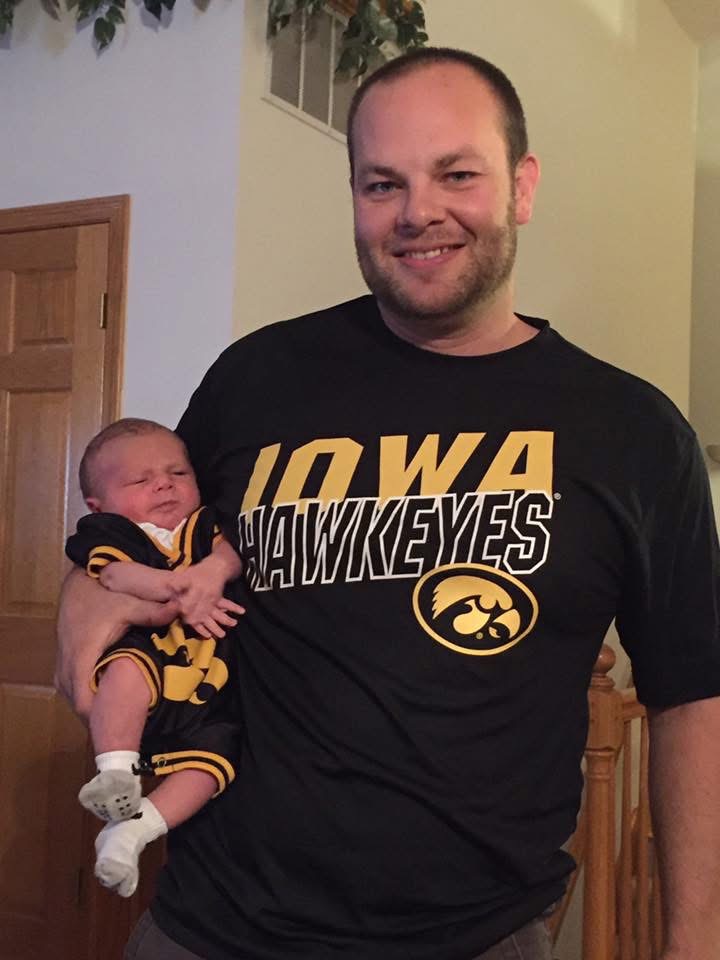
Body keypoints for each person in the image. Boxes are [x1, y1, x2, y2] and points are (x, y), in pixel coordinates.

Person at [56, 47, 720, 960]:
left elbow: (691, 694)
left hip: (475, 939)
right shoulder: (257, 378)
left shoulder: (632, 430)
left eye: (458, 174)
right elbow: (143, 534)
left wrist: (695, 940)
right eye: (382, 183)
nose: (418, 211)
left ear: (523, 185)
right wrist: (82, 607)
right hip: (209, 929)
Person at [65, 418, 244, 899]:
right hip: (152, 655)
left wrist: (212, 571)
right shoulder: (114, 533)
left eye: (177, 473)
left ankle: (133, 832)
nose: (164, 484)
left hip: (206, 686)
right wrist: (179, 590)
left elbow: (233, 553)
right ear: (98, 504)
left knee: (213, 763)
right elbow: (116, 576)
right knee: (126, 670)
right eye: (140, 480)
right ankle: (116, 772)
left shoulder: (204, 526)